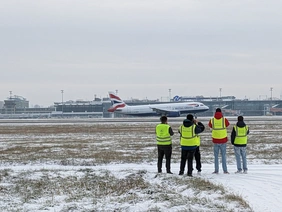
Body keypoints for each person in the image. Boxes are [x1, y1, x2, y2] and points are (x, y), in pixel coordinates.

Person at [208, 108, 230, 174]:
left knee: (216, 156)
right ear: (221, 112)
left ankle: (216, 170)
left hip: (215, 140)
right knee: (223, 156)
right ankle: (225, 170)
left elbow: (210, 126)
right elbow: (227, 125)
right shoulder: (224, 120)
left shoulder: (212, 120)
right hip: (223, 139)